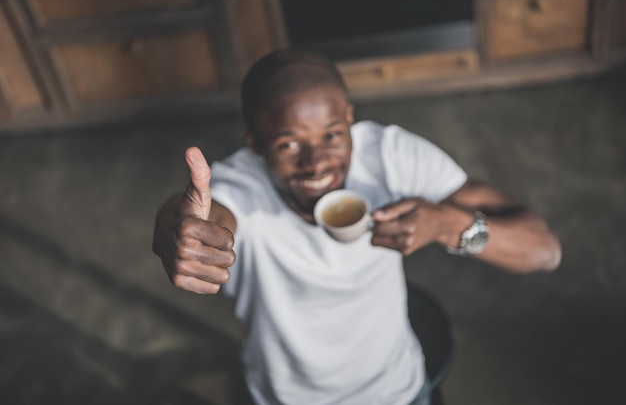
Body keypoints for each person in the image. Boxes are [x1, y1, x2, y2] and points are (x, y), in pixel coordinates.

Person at [152, 49, 561, 405]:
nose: (317, 164)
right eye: (289, 144)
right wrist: (179, 228)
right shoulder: (240, 186)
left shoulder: (391, 157)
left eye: (332, 134)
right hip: (285, 398)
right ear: (255, 143)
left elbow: (543, 250)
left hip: (398, 389)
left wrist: (446, 225)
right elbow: (208, 217)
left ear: (350, 119)